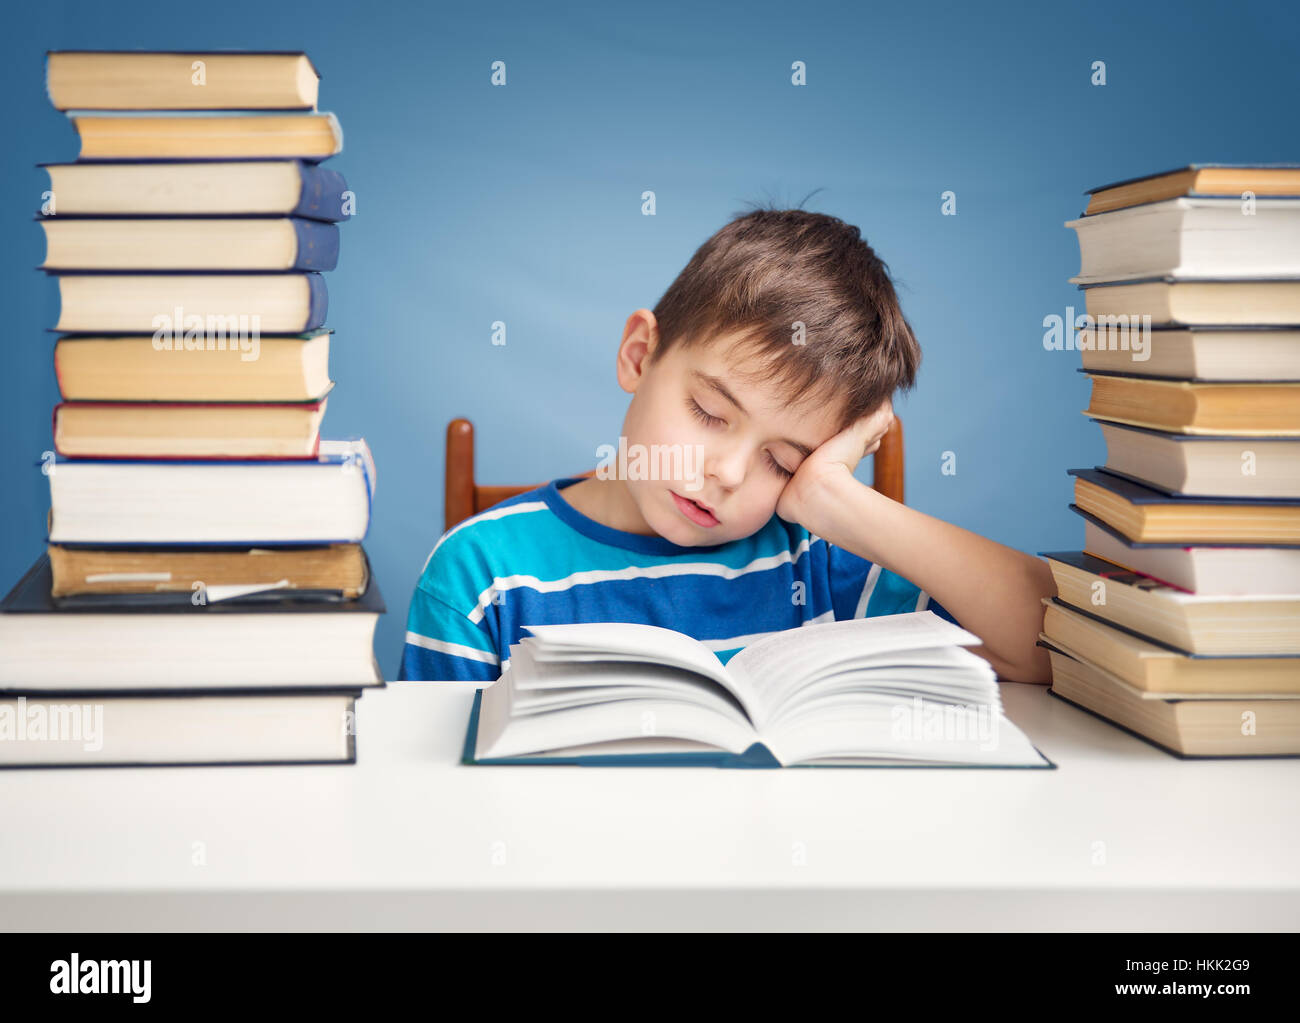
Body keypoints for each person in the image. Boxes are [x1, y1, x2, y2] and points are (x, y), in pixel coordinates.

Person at [398, 206, 1055, 683]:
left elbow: (1050, 644)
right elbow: (439, 815)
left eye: (784, 461)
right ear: (638, 355)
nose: (729, 473)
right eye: (710, 412)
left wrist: (833, 499)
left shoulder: (817, 565)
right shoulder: (480, 578)